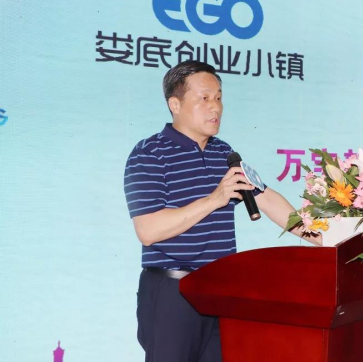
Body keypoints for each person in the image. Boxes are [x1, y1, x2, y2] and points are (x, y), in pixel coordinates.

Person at [123, 61, 320, 362]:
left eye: (218, 97)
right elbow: (148, 230)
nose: (215, 107)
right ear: (175, 104)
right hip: (173, 291)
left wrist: (325, 238)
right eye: (204, 98)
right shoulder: (150, 153)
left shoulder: (224, 153)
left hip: (221, 292)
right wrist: (215, 199)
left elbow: (268, 200)